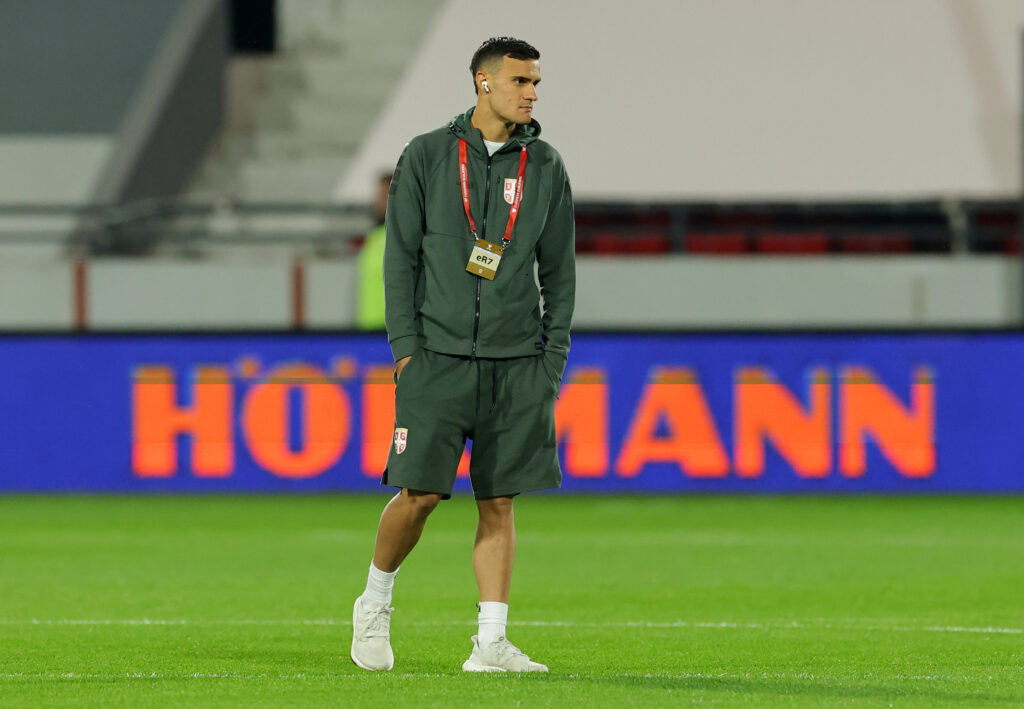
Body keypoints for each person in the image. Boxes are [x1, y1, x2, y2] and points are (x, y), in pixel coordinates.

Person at [350, 36, 575, 673]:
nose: (532, 92)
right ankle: (375, 599)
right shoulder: (425, 156)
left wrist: (550, 359)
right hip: (437, 360)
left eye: (536, 83)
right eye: (520, 81)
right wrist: (405, 350)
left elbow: (559, 271)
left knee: (499, 501)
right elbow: (400, 259)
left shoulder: (548, 165)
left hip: (516, 363)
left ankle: (491, 642)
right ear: (483, 82)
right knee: (419, 494)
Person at [355, 172, 392, 330]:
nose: (376, 202)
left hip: (394, 333)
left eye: (382, 196)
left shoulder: (408, 237)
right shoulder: (374, 237)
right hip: (369, 331)